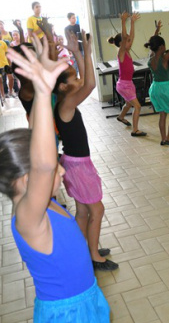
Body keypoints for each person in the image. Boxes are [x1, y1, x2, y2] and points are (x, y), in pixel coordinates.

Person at [0, 43, 111, 323]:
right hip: (70, 316)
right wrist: (40, 91)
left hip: (84, 302)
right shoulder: (28, 217)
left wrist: (43, 90)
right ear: (26, 180)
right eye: (52, 168)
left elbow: (42, 152)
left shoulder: (47, 206)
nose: (60, 169)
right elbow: (42, 164)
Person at [48, 27, 118, 272]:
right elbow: (89, 84)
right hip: (77, 165)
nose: (77, 78)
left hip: (73, 163)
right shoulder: (67, 102)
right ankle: (94, 256)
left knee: (82, 211)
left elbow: (82, 81)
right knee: (97, 209)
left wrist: (77, 52)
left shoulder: (63, 100)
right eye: (72, 77)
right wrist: (86, 51)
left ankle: (84, 247)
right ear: (65, 87)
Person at [108, 11, 146, 137]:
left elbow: (131, 36)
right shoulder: (122, 53)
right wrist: (123, 21)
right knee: (137, 106)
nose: (130, 42)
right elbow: (125, 37)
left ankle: (121, 116)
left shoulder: (128, 52)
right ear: (121, 44)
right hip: (124, 85)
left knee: (128, 103)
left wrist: (133, 23)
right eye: (127, 41)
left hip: (127, 84)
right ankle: (135, 130)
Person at [146, 18, 169, 146]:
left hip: (154, 88)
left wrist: (157, 30)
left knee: (162, 114)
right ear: (161, 47)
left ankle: (163, 138)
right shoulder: (165, 58)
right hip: (165, 87)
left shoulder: (151, 58)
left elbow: (152, 44)